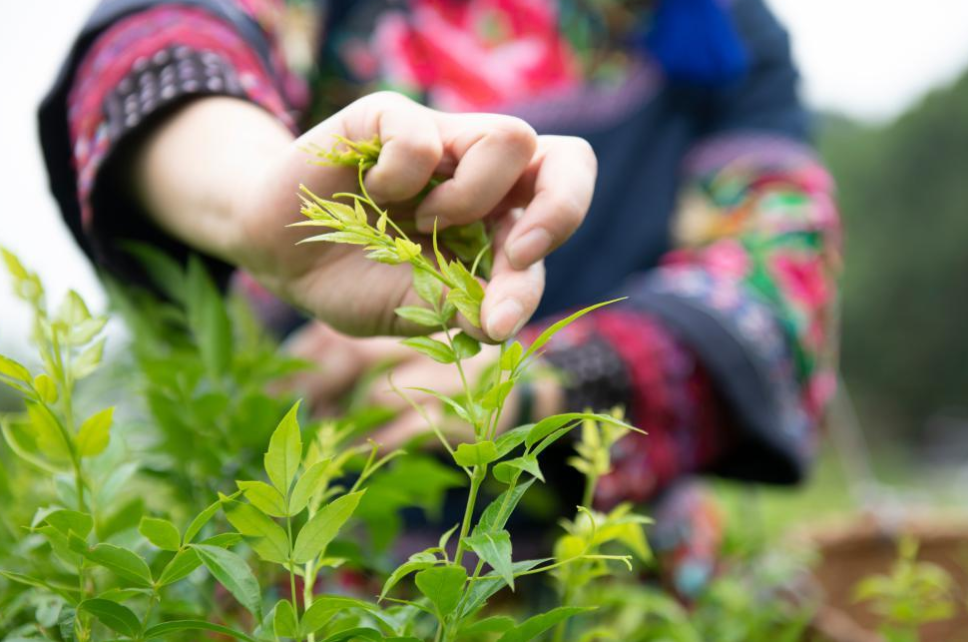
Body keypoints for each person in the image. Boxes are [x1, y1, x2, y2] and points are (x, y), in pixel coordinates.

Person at [40, 0, 841, 597]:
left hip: (616, 566)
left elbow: (779, 280)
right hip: (317, 567)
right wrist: (259, 202)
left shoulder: (716, 31)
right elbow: (160, 48)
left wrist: (547, 384)